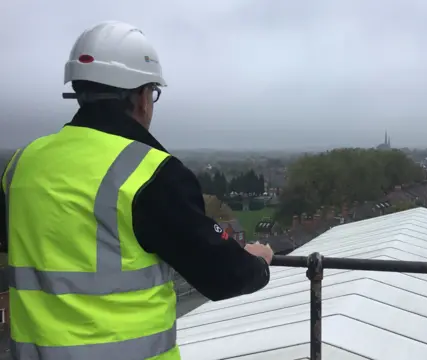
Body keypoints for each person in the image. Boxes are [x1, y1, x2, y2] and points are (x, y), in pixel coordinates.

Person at [0, 21, 273, 360]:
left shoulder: (22, 164)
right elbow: (223, 275)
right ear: (142, 97)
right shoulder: (152, 173)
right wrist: (257, 262)